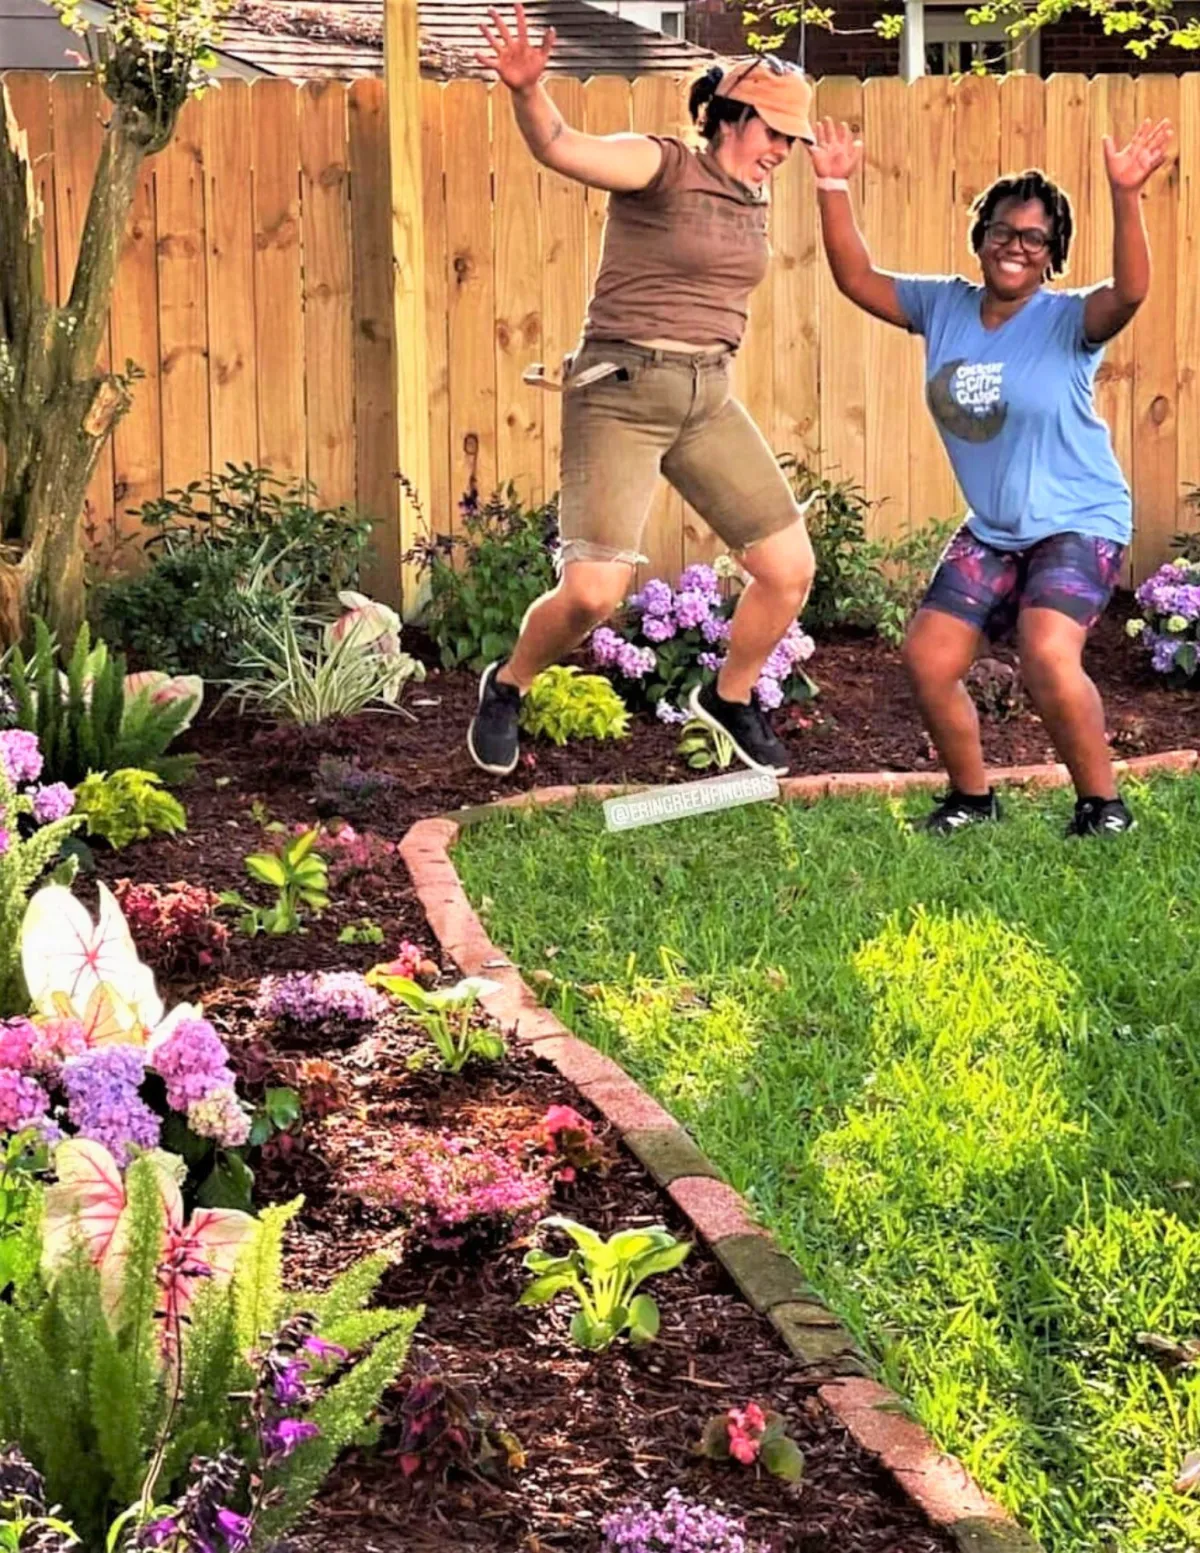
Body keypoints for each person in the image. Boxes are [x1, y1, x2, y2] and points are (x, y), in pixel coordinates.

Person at [467, 6, 817, 778]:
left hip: (706, 397)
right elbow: (561, 146)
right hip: (621, 391)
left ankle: (729, 695)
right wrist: (528, 92)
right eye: (775, 133)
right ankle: (509, 683)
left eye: (793, 141)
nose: (783, 152)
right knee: (593, 594)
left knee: (789, 567)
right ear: (731, 116)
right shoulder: (661, 164)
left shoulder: (752, 198)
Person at [810, 114, 1171, 836]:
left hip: (1079, 520)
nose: (1016, 245)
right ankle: (972, 800)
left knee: (1046, 651)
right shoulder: (943, 305)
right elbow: (857, 278)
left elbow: (1130, 293)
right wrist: (832, 184)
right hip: (996, 530)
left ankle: (1103, 806)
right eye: (1003, 230)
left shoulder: (1069, 321)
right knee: (928, 657)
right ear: (981, 237)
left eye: (1035, 238)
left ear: (1052, 255)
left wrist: (1125, 196)